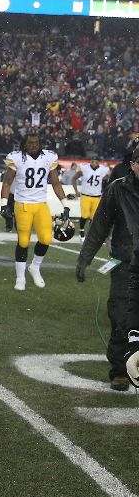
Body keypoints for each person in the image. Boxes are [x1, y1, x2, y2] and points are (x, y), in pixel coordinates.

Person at [77, 146, 139, 392]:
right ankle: (120, 370)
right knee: (121, 315)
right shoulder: (118, 189)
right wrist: (84, 259)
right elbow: (100, 226)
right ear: (133, 164)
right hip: (126, 262)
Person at [0, 134, 71, 291]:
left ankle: (34, 267)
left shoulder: (49, 157)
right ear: (24, 144)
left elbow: (56, 183)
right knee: (23, 241)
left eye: (36, 143)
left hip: (40, 204)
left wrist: (65, 205)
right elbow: (7, 182)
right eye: (30, 143)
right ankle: (20, 277)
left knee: (46, 238)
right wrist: (4, 204)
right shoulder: (16, 158)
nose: (34, 145)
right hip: (22, 204)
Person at [72, 155, 110, 239]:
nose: (94, 163)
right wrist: (76, 191)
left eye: (96, 161)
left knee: (94, 217)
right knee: (85, 215)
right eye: (92, 161)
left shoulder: (103, 169)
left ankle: (91, 233)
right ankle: (81, 230)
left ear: (98, 162)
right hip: (86, 195)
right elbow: (74, 178)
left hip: (97, 196)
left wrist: (106, 184)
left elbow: (109, 176)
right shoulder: (85, 168)